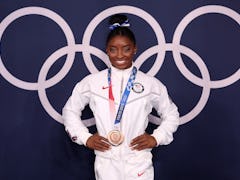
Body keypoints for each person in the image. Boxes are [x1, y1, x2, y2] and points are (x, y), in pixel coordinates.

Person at [62, 14, 179, 180]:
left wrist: (156, 138)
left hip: (138, 161)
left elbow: (172, 114)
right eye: (113, 49)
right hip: (106, 162)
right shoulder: (92, 82)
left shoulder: (150, 83)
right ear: (107, 50)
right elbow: (70, 111)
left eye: (126, 48)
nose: (120, 55)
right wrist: (85, 137)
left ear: (135, 49)